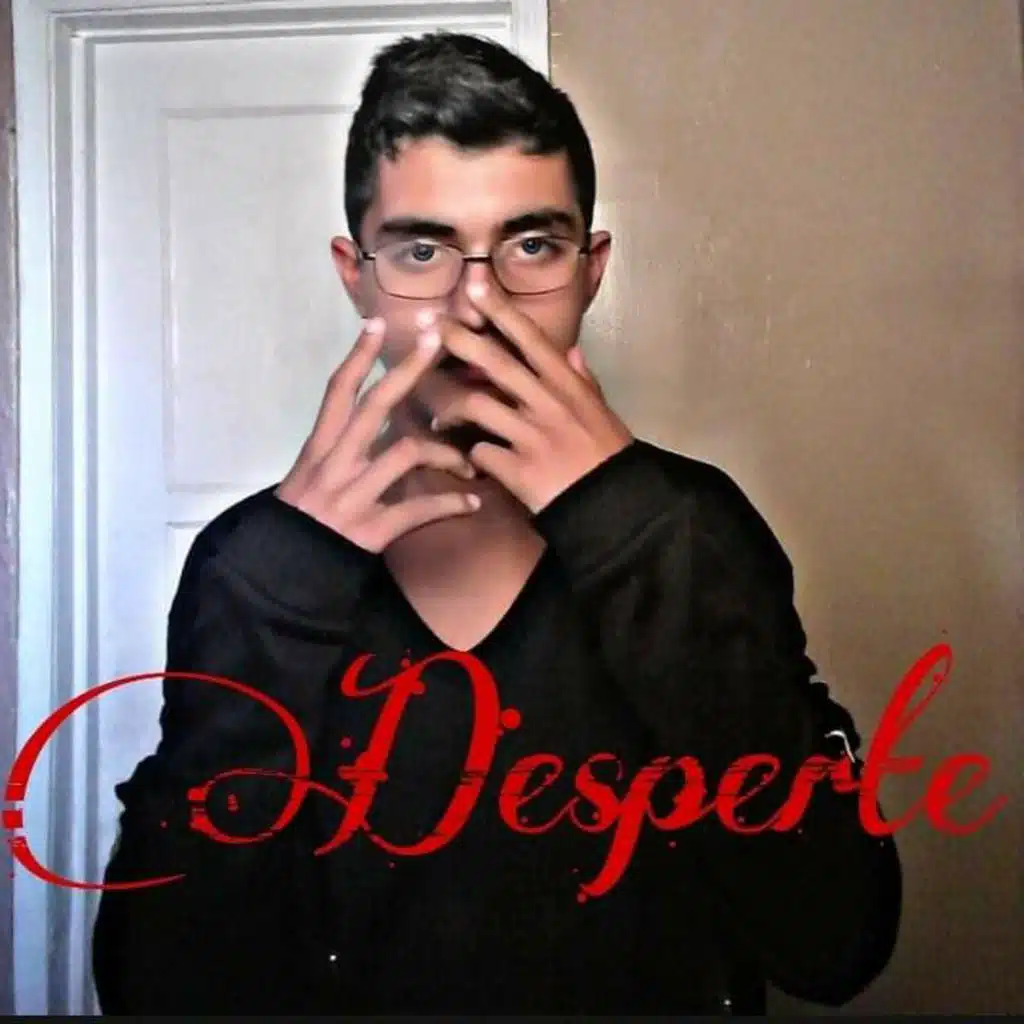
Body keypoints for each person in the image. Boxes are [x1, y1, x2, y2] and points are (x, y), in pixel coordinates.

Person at [91, 31, 902, 1015]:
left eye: (531, 245)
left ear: (591, 268)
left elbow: (833, 943)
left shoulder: (690, 528)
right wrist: (284, 581)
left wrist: (625, 521)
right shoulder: (251, 565)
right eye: (421, 250)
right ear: (355, 274)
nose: (477, 306)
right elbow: (157, 986)